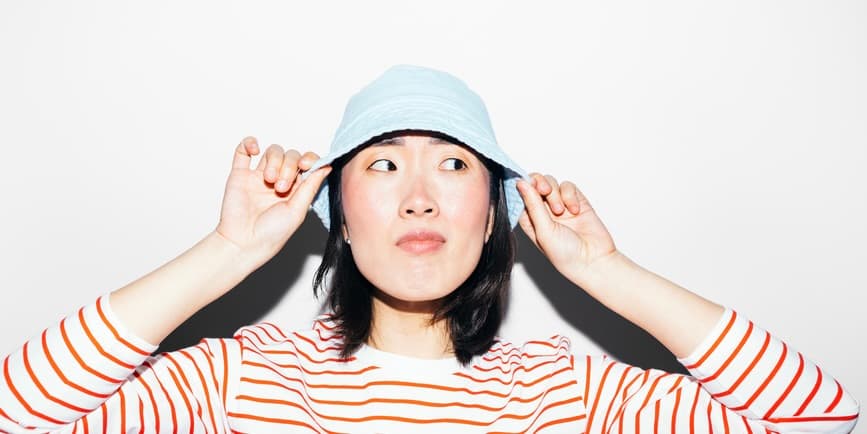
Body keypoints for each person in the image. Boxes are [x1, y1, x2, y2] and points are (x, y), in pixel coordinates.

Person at [0, 65, 859, 433]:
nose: (418, 194)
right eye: (382, 163)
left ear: (492, 216)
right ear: (337, 213)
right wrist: (227, 252)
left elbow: (822, 420)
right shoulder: (241, 380)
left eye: (452, 163)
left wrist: (607, 274)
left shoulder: (563, 392)